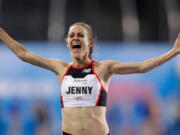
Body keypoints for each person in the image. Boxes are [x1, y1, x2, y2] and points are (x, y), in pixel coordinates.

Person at [0, 22, 180, 135]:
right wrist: (2, 34)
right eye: (71, 35)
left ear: (90, 42)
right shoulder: (60, 68)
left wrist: (173, 52)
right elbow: (23, 54)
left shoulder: (103, 68)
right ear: (67, 42)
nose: (75, 38)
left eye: (80, 35)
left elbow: (142, 67)